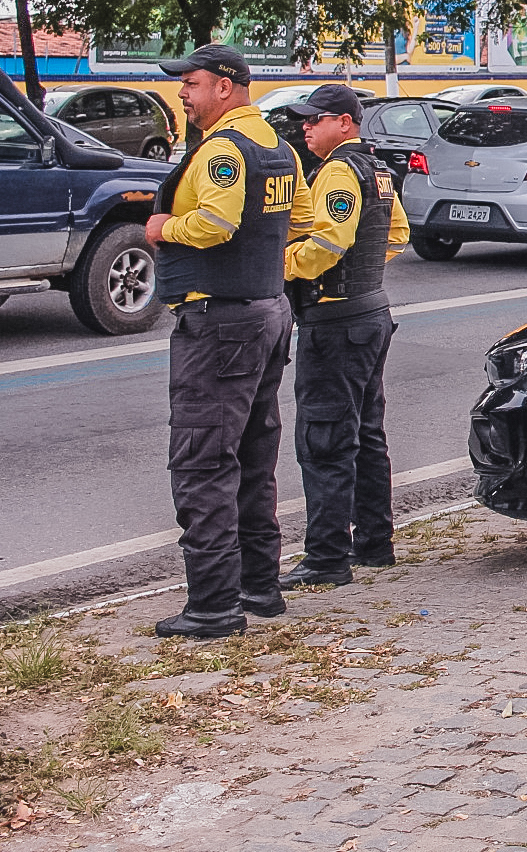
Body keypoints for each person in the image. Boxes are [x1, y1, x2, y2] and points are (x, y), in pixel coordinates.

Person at [145, 44, 309, 639]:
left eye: (191, 84)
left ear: (226, 87)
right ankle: (259, 586)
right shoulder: (279, 147)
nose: (183, 94)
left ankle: (214, 606)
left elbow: (215, 224)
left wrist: (165, 227)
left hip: (219, 323)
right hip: (266, 312)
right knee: (252, 456)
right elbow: (306, 224)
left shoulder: (224, 150)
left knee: (204, 460)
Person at [279, 84, 412, 588]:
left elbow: (330, 239)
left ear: (346, 124)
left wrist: (287, 266)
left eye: (317, 120)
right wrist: (360, 273)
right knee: (366, 434)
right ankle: (375, 544)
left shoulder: (338, 170)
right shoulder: (376, 169)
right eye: (306, 120)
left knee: (325, 440)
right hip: (371, 314)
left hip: (335, 323)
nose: (306, 128)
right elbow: (397, 234)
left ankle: (326, 558)